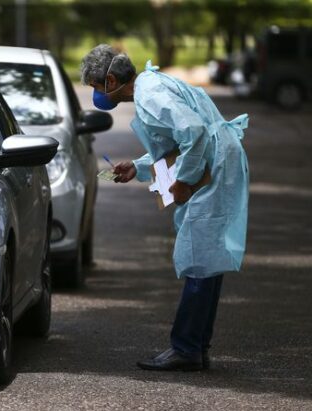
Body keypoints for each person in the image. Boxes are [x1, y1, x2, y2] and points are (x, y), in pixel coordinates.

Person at [80, 44, 249, 371]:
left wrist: (184, 181)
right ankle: (196, 346)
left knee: (199, 258)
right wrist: (139, 168)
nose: (97, 96)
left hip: (211, 169)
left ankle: (186, 348)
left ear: (111, 79)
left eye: (95, 87)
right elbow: (176, 143)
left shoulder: (150, 95)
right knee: (207, 260)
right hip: (216, 164)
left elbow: (194, 133)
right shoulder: (151, 85)